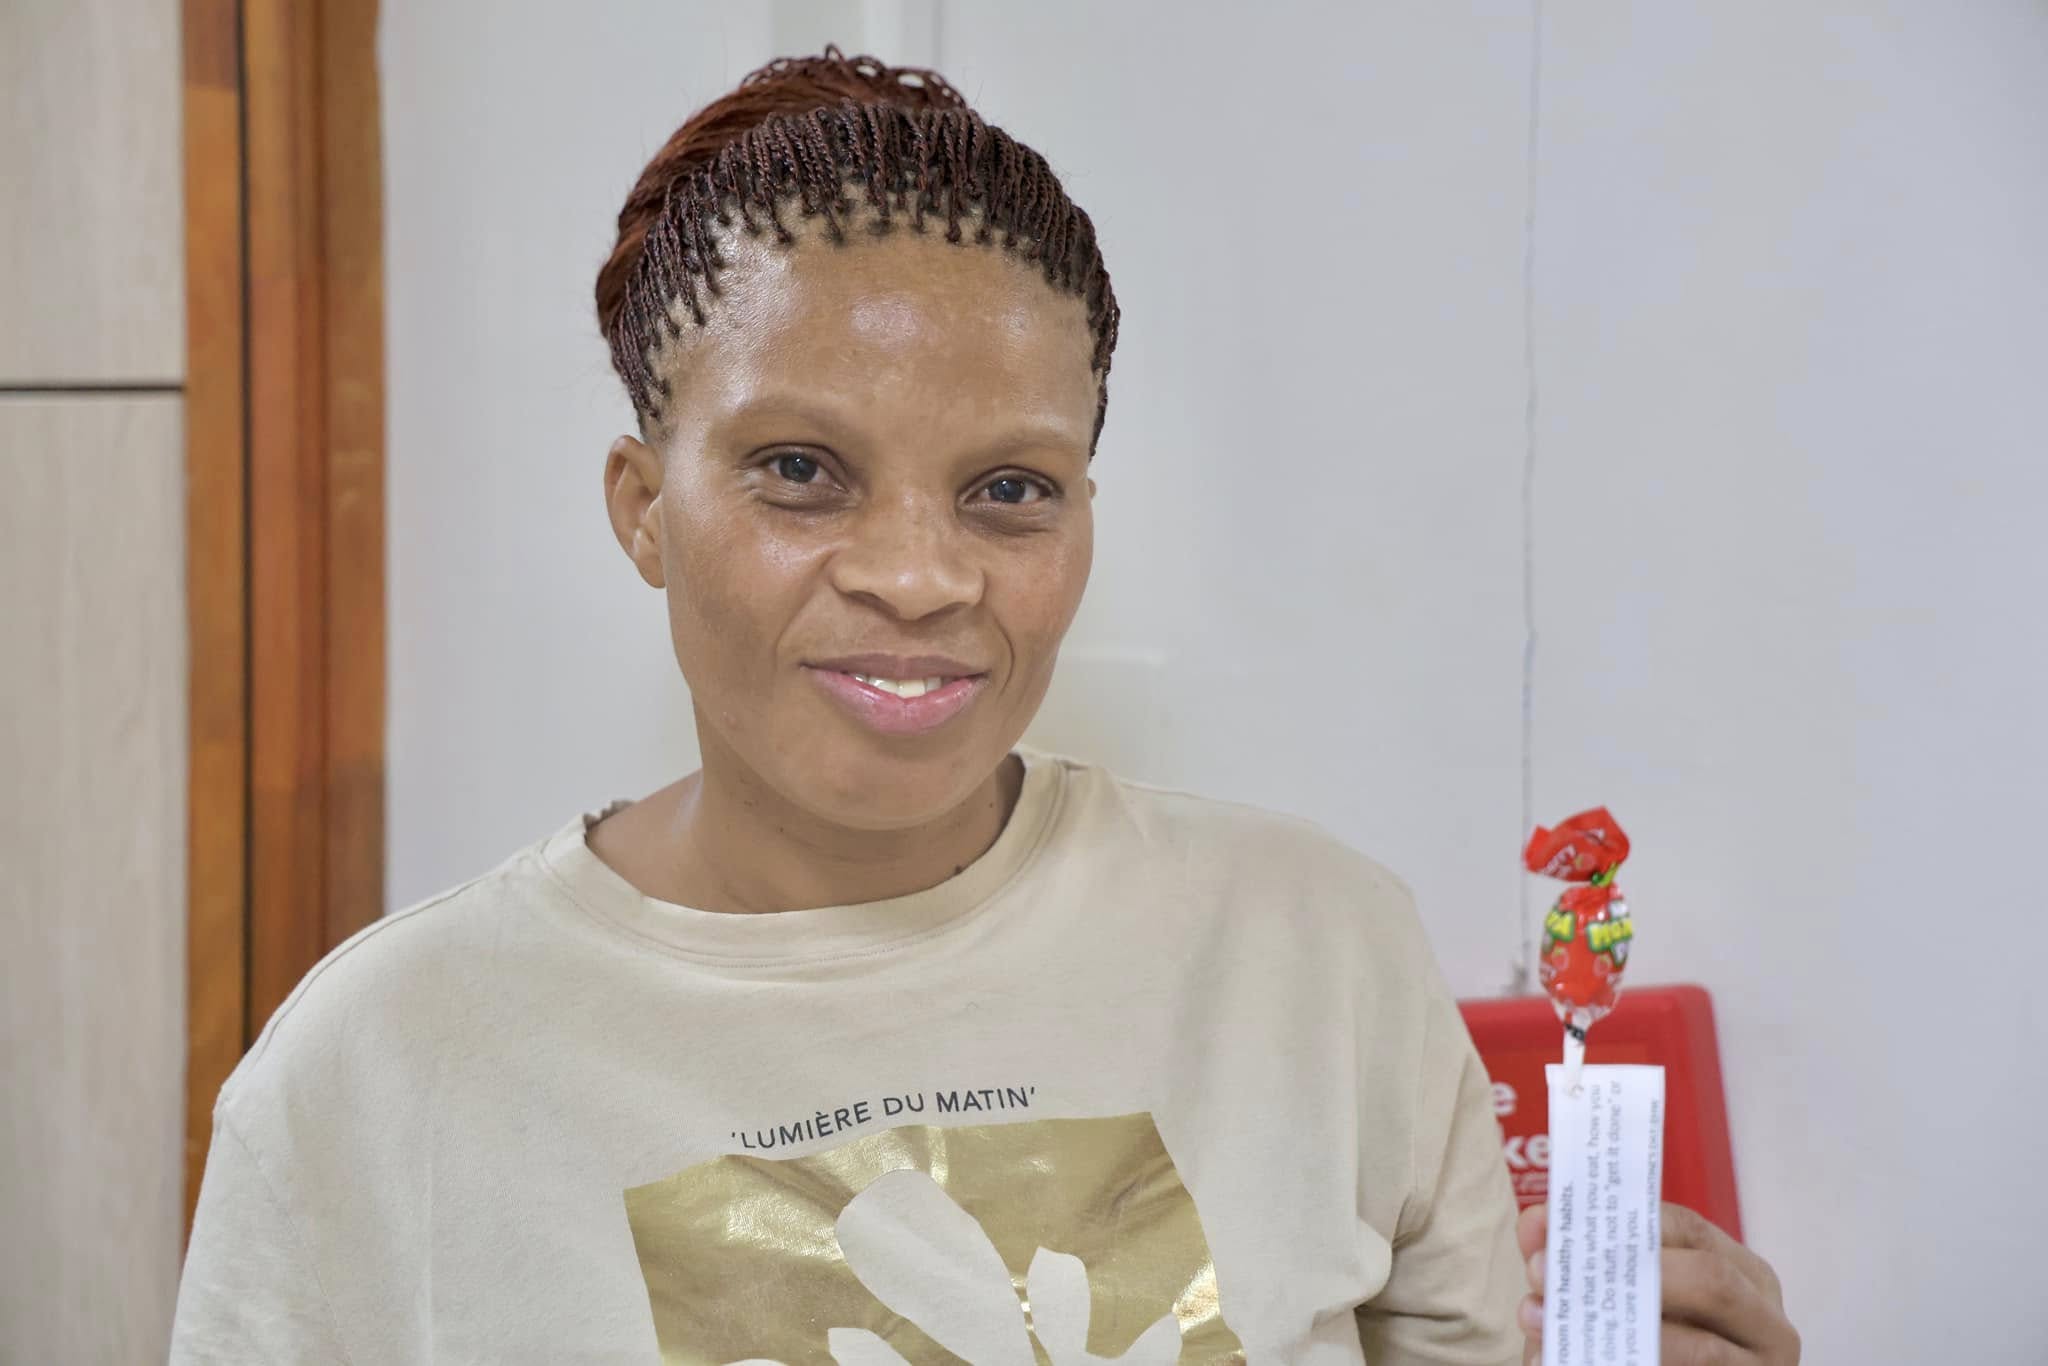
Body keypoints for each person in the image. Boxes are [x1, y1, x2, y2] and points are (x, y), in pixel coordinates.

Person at [171, 48, 1799, 1365]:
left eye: (1009, 488)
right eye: (799, 468)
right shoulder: (378, 1075)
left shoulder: (1312, 950)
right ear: (643, 508)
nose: (918, 575)